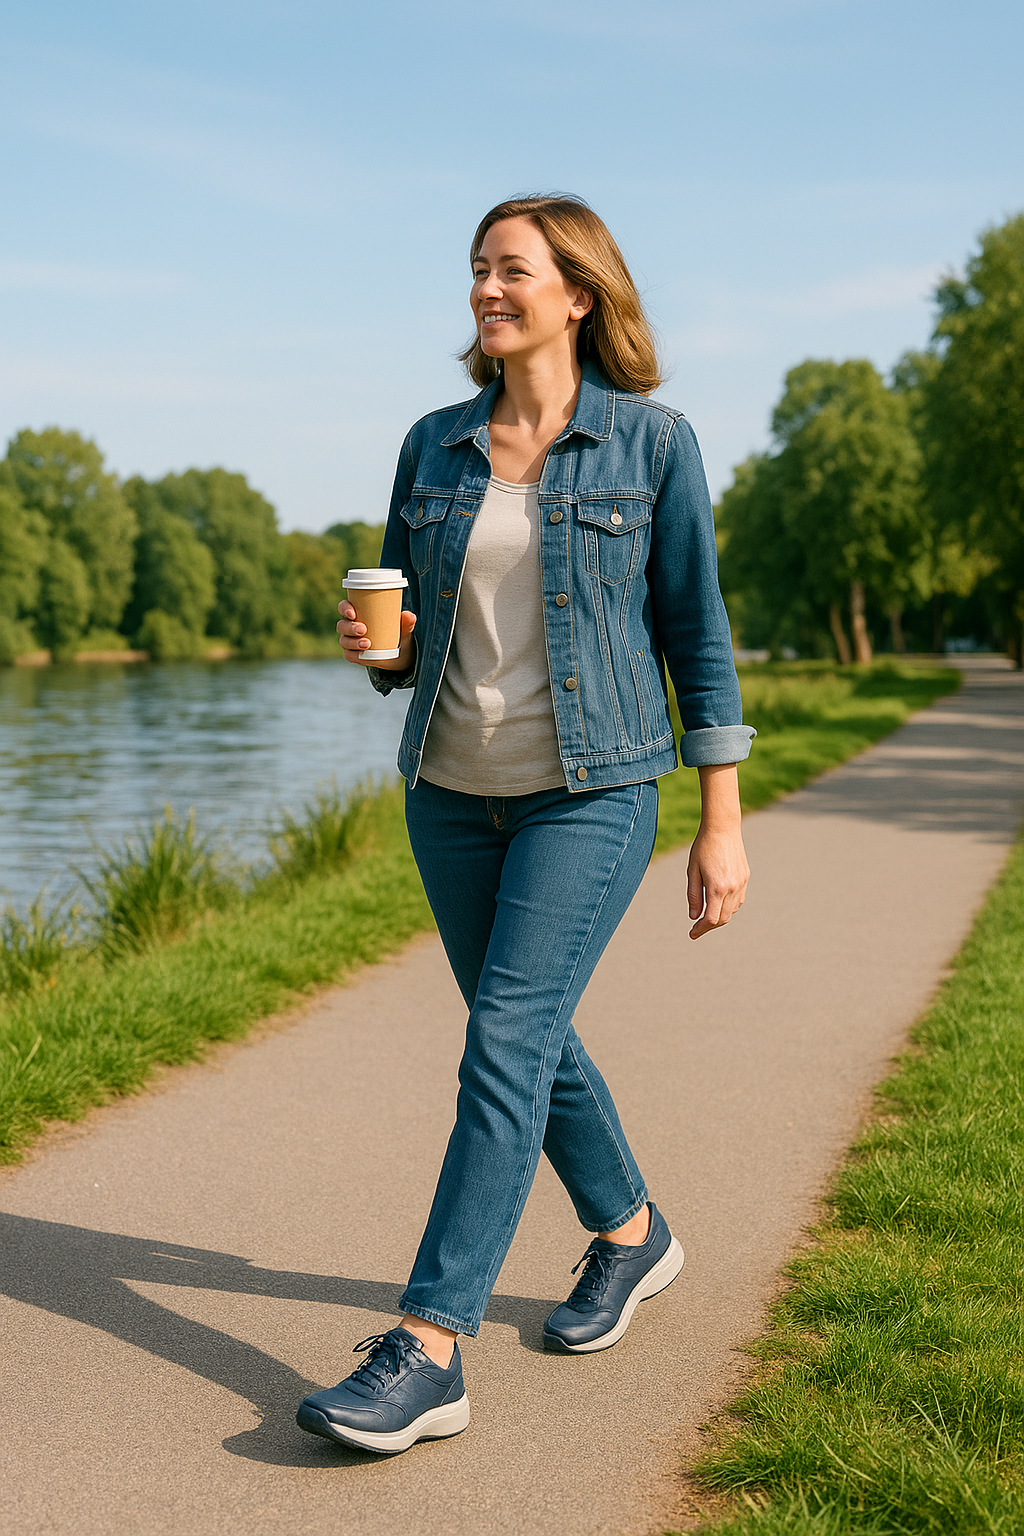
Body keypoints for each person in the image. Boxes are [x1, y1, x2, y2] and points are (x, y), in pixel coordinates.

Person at [296, 194, 754, 1457]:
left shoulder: (653, 447)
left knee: (503, 1036)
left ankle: (432, 1346)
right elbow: (408, 625)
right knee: (529, 1037)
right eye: (476, 271)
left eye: (510, 271)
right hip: (448, 790)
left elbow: (696, 640)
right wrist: (372, 654)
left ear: (577, 294)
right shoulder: (433, 445)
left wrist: (720, 820)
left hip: (593, 789)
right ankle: (630, 1231)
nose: (485, 291)